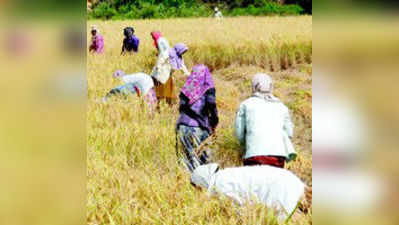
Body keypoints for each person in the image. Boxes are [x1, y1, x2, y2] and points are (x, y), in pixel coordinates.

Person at [191, 163, 306, 221]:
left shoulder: (220, 187)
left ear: (201, 183)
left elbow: (240, 211)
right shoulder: (224, 175)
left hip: (280, 188)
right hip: (286, 179)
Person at [235, 73, 296, 168]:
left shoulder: (245, 104)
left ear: (254, 87)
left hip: (254, 155)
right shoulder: (281, 106)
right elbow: (289, 133)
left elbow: (239, 134)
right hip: (278, 156)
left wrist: (246, 145)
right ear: (271, 87)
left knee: (254, 182)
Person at [176, 64, 219, 172]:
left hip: (182, 127)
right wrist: (214, 123)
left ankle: (182, 185)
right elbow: (211, 105)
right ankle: (196, 187)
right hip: (199, 128)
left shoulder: (186, 88)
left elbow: (181, 107)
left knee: (184, 162)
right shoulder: (208, 88)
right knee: (199, 164)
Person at [150, 31, 189, 103]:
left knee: (168, 89)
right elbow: (160, 60)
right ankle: (158, 102)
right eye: (183, 51)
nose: (183, 53)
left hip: (167, 74)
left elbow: (183, 66)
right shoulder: (167, 52)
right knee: (159, 89)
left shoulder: (178, 57)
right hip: (159, 73)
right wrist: (158, 68)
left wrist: (187, 74)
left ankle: (167, 103)